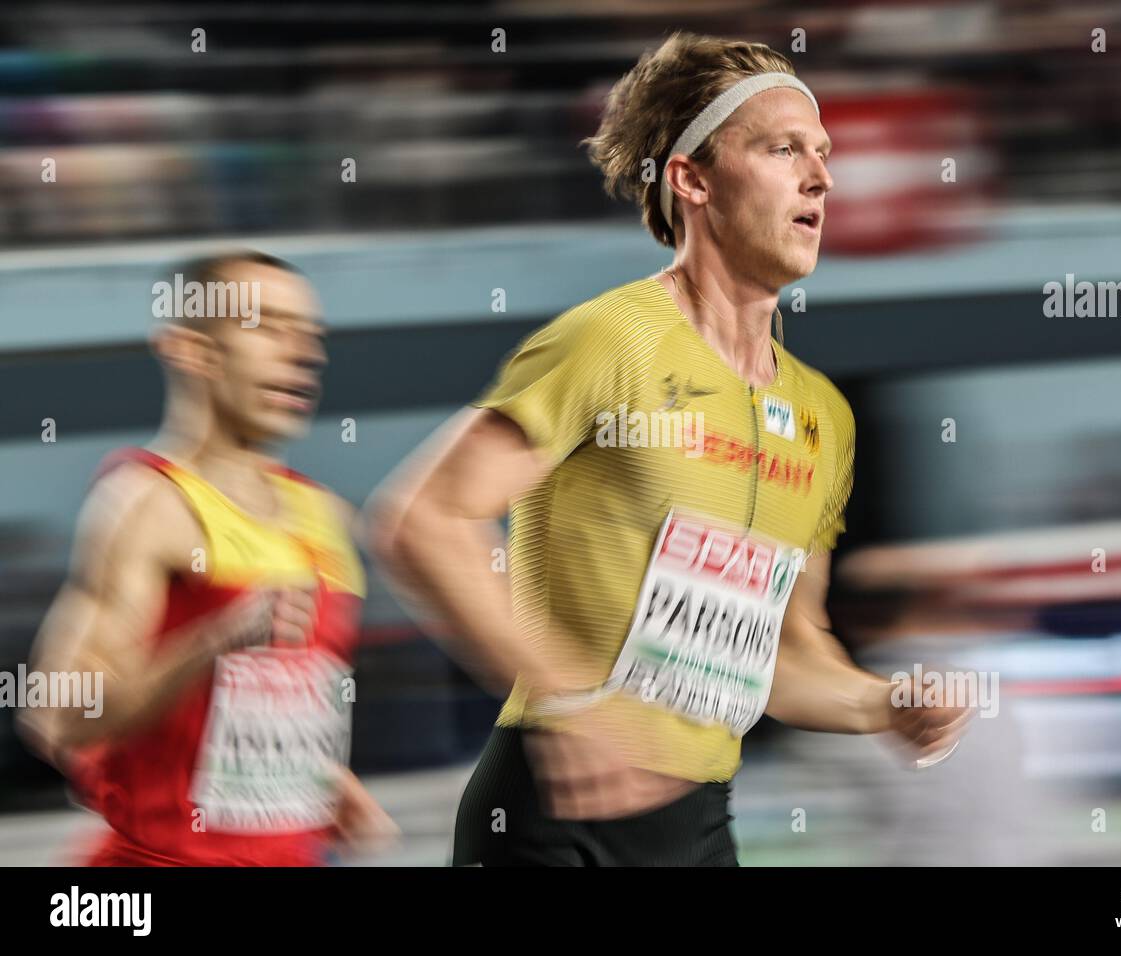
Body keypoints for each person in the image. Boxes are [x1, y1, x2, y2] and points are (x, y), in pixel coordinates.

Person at [366, 32, 968, 867]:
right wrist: (578, 711)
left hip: (697, 823)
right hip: (553, 815)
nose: (823, 177)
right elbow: (419, 520)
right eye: (782, 148)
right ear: (691, 178)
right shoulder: (611, 341)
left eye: (823, 154)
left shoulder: (822, 415)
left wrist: (882, 704)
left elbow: (791, 658)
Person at [21, 251, 396, 866]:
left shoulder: (321, 514)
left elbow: (245, 715)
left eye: (309, 335)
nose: (303, 353)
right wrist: (212, 638)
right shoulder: (145, 504)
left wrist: (317, 781)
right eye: (268, 327)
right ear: (191, 350)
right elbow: (58, 716)